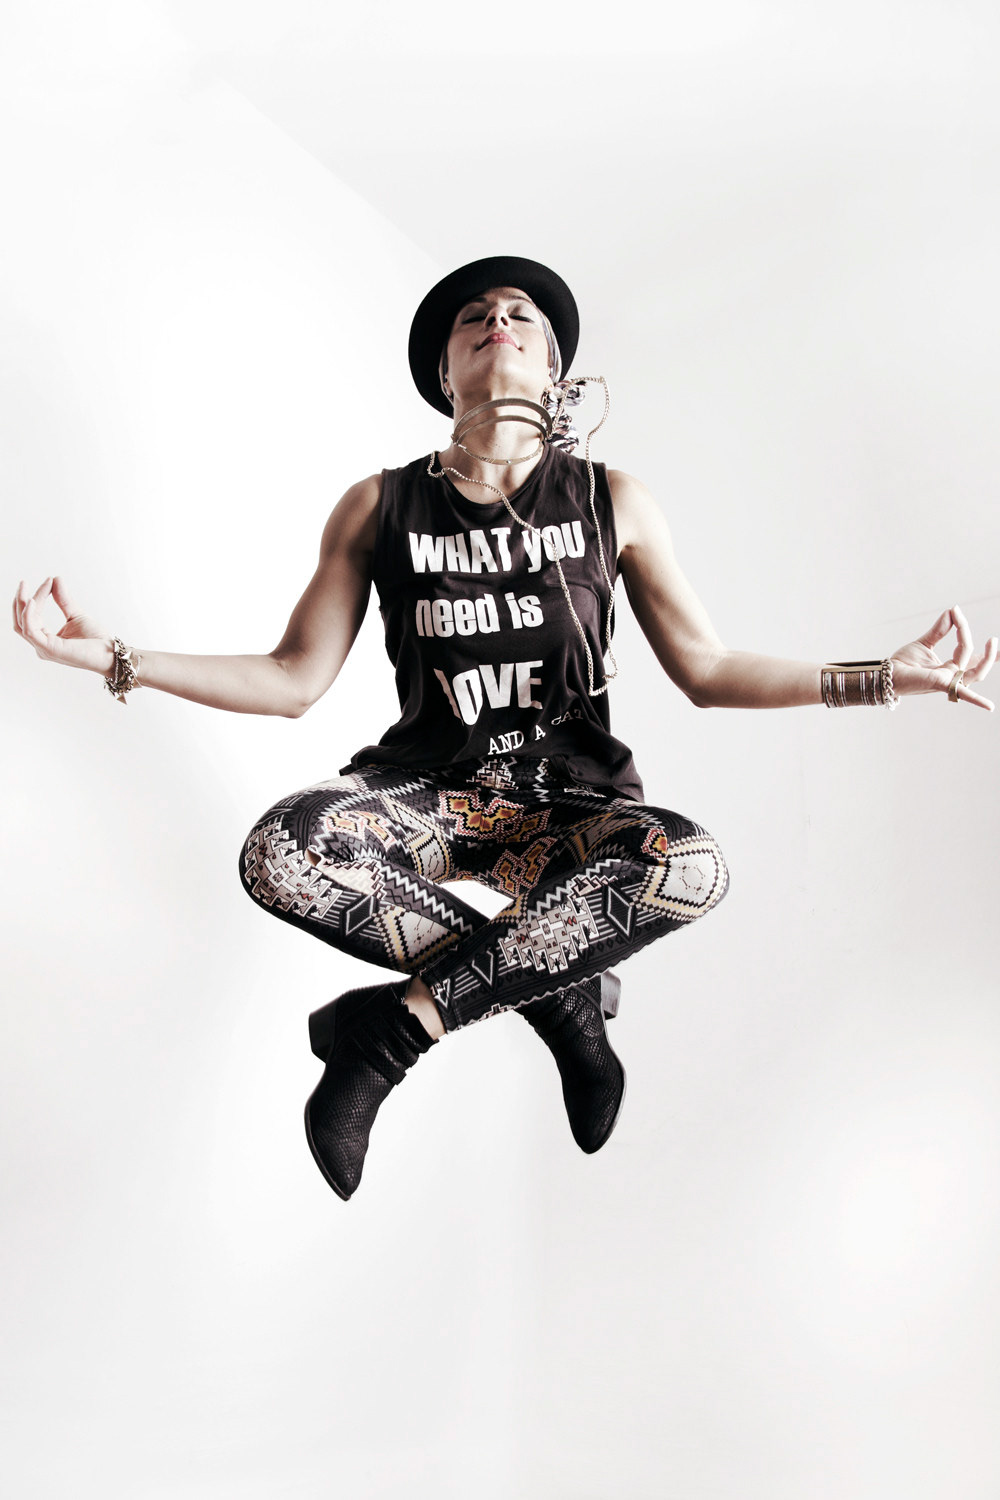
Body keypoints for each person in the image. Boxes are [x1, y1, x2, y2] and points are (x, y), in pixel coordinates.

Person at [14, 255, 997, 1203]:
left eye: (522, 314)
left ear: (556, 372)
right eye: (473, 316)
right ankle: (563, 1003)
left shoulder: (611, 499)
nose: (498, 319)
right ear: (444, 374)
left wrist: (884, 678)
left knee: (691, 866)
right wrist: (116, 659)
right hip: (430, 795)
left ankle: (388, 1036)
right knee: (284, 850)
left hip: (566, 813)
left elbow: (706, 668)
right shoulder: (380, 504)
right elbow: (291, 678)